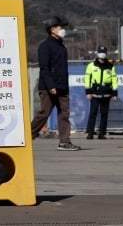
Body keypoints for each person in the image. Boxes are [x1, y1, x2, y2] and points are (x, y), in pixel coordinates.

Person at [30, 16, 81, 151]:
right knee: (44, 113)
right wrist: (51, 85)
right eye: (61, 27)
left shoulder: (61, 47)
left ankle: (64, 142)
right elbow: (45, 68)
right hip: (49, 87)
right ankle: (27, 136)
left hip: (62, 86)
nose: (63, 30)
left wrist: (63, 85)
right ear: (53, 29)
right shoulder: (45, 46)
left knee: (64, 114)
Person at [84, 46, 118, 139]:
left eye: (103, 52)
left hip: (106, 93)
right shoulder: (91, 65)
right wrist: (88, 92)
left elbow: (114, 80)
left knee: (104, 114)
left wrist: (115, 93)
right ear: (97, 53)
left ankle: (102, 133)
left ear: (106, 54)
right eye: (100, 52)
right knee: (93, 113)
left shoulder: (110, 66)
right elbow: (87, 79)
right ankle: (90, 133)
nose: (102, 54)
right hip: (95, 93)